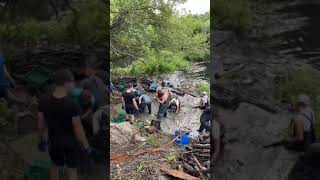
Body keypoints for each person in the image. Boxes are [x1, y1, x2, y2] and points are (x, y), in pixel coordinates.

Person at [38, 69, 92, 180]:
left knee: (55, 166)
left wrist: (41, 140)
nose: (73, 84)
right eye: (72, 81)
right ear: (66, 82)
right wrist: (86, 145)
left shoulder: (44, 100)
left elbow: (41, 123)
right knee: (71, 169)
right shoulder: (72, 104)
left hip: (54, 142)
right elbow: (78, 129)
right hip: (70, 143)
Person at [81, 60, 109, 135]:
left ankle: (96, 139)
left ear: (89, 69)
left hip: (99, 110)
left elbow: (94, 101)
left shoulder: (87, 82)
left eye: (86, 68)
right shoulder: (101, 79)